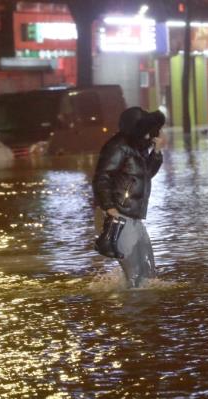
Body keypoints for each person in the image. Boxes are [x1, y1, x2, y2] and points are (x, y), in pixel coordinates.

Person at [92, 106, 166, 288]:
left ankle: (144, 313)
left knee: (148, 276)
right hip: (119, 216)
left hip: (133, 217)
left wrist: (156, 153)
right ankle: (131, 313)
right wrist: (110, 208)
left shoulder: (137, 148)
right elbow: (102, 177)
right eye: (147, 129)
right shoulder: (117, 147)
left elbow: (146, 174)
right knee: (135, 277)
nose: (150, 134)